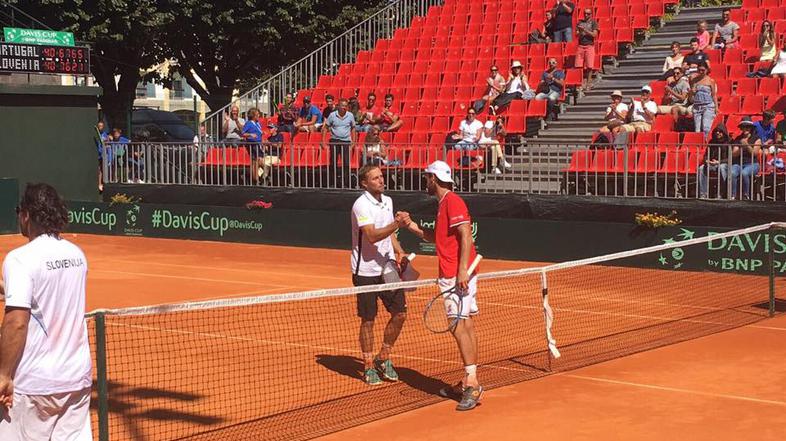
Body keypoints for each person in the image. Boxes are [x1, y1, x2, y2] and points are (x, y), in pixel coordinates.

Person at [0, 183, 92, 441]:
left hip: (35, 385)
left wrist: (4, 374)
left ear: (27, 215)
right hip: (77, 380)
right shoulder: (77, 255)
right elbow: (49, 293)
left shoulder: (19, 259)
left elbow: (17, 322)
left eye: (20, 210)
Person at [400, 161, 483, 411]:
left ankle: (473, 384)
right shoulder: (443, 204)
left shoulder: (453, 201)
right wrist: (412, 226)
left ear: (434, 179)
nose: (425, 181)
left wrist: (459, 272)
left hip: (457, 273)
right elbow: (439, 239)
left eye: (427, 177)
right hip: (457, 271)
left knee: (457, 326)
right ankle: (470, 378)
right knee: (465, 323)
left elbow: (466, 235)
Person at [351, 165, 410, 385]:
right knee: (368, 320)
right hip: (365, 271)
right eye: (375, 178)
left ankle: (383, 358)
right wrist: (397, 223)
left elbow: (388, 232)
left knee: (400, 314)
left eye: (382, 177)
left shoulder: (388, 201)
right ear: (365, 183)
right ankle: (367, 366)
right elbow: (373, 236)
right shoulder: (361, 205)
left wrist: (399, 249)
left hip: (388, 269)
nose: (381, 180)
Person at [323, 98, 357, 188]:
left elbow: (353, 128)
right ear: (338, 106)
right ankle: (332, 183)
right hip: (334, 140)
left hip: (346, 141)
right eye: (342, 106)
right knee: (333, 162)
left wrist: (353, 142)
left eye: (346, 106)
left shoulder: (350, 115)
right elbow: (326, 127)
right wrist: (323, 141)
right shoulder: (332, 115)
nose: (344, 108)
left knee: (346, 163)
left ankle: (346, 183)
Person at [698, 123, 735, 198]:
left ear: (724, 132)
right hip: (712, 164)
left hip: (725, 164)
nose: (718, 133)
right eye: (716, 131)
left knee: (722, 168)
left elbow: (732, 157)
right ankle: (703, 193)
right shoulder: (712, 142)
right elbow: (706, 154)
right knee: (701, 168)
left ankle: (721, 193)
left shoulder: (730, 142)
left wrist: (719, 162)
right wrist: (707, 161)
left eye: (720, 131)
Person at [729, 117, 762, 199]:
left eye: (748, 126)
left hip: (752, 164)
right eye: (743, 126)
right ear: (741, 128)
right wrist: (741, 148)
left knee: (744, 173)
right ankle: (733, 195)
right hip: (738, 163)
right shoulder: (737, 139)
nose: (745, 128)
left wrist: (746, 145)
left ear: (751, 128)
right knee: (732, 173)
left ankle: (746, 195)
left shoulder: (757, 139)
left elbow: (754, 153)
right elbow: (733, 154)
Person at [689, 63, 717, 137]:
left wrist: (716, 108)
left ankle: (706, 145)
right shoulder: (694, 80)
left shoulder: (711, 81)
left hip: (708, 105)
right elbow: (691, 97)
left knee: (706, 128)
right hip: (697, 106)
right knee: (697, 130)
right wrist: (691, 92)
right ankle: (699, 146)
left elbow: (714, 95)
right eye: (699, 70)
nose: (701, 72)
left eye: (703, 70)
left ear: (706, 70)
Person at [575, 8, 598, 90]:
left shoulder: (593, 22)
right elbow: (576, 35)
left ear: (591, 14)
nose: (586, 15)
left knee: (589, 66)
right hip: (580, 45)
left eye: (588, 13)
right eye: (585, 13)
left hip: (589, 45)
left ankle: (589, 82)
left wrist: (585, 30)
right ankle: (580, 82)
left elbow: (594, 35)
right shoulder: (579, 22)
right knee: (578, 66)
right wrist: (581, 32)